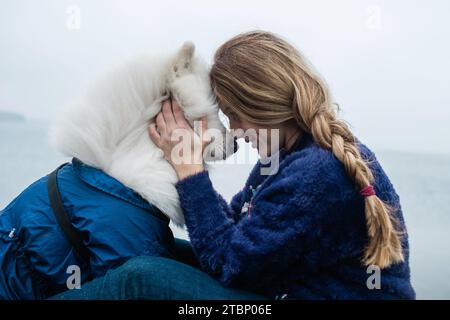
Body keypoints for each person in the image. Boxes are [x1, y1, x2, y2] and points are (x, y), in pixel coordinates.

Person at [52, 30, 415, 300]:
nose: (236, 133)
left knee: (140, 279)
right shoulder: (287, 158)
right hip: (281, 290)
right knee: (155, 248)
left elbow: (230, 264)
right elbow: (236, 235)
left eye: (235, 116)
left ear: (262, 105)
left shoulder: (317, 175)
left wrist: (190, 171)